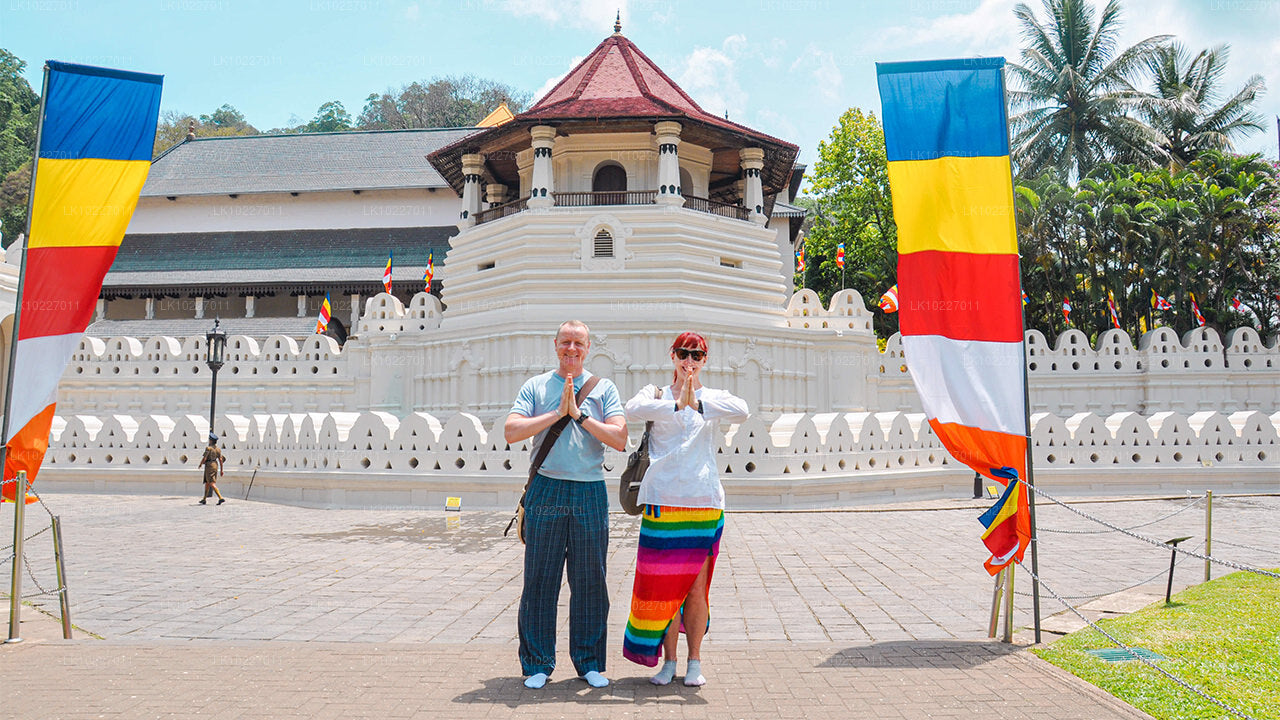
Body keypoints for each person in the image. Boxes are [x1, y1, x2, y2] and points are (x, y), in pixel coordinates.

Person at [503, 320, 627, 689]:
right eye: (566, 342)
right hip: (547, 489)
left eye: (579, 343)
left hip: (589, 490)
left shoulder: (603, 389)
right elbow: (512, 431)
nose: (571, 349)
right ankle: (538, 663)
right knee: (541, 577)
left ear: (588, 349)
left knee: (590, 579)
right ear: (555, 345)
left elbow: (620, 438)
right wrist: (558, 413)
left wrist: (581, 415)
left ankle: (588, 661)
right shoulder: (536, 387)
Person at [622, 332, 748, 687]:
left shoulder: (714, 397)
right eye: (683, 354)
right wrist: (678, 405)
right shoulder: (656, 394)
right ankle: (669, 661)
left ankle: (694, 660)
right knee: (663, 589)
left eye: (696, 355)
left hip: (702, 502)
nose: (688, 361)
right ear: (672, 356)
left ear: (705, 360)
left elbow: (743, 411)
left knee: (694, 587)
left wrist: (698, 404)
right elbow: (632, 409)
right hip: (663, 502)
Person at [198, 433, 226, 505]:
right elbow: (220, 460)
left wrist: (201, 464)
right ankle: (204, 498)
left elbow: (204, 458)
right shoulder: (218, 449)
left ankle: (220, 497)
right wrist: (222, 470)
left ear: (211, 441)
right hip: (215, 465)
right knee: (207, 482)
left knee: (211, 483)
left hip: (209, 465)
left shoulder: (208, 448)